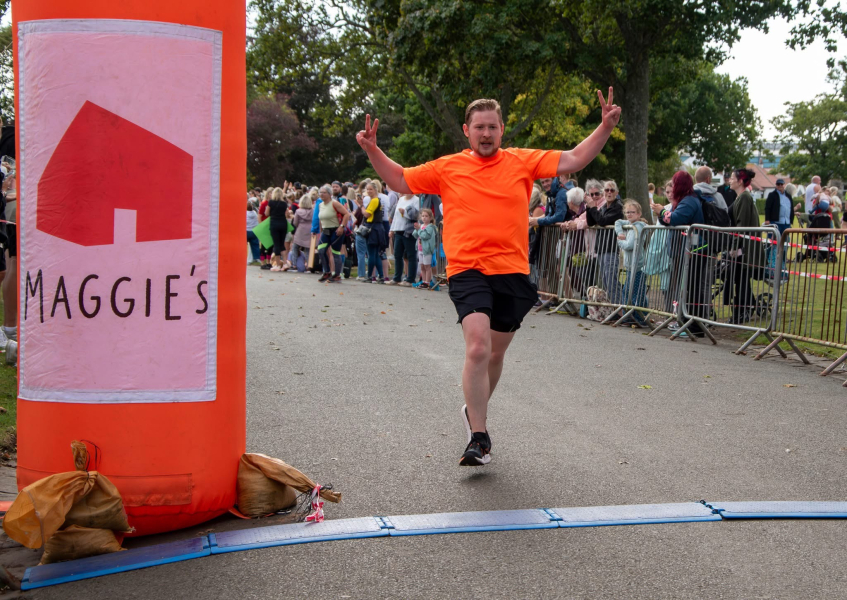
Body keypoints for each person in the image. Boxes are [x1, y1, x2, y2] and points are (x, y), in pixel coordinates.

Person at [356, 89, 621, 466]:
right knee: (478, 347)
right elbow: (399, 179)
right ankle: (478, 437)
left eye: (492, 127)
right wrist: (372, 149)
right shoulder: (448, 167)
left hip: (512, 270)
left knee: (495, 353)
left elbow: (574, 157)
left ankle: (473, 409)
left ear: (501, 130)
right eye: (479, 126)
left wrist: (605, 126)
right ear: (467, 130)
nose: (486, 133)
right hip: (467, 268)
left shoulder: (521, 161)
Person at [650, 171, 710, 337]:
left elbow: (675, 219)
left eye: (675, 183)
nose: (673, 187)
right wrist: (661, 214)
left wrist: (662, 211)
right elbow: (670, 221)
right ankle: (685, 321)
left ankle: (695, 325)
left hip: (693, 251)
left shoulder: (689, 201)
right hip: (683, 251)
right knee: (686, 286)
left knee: (691, 287)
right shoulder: (684, 200)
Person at [726, 168, 763, 324]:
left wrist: (734, 247)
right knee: (740, 279)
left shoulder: (744, 198)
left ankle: (744, 310)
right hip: (742, 247)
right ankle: (744, 308)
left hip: (744, 249)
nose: (729, 180)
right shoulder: (741, 197)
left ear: (740, 181)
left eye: (732, 178)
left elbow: (741, 226)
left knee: (741, 279)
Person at [587, 179, 624, 303]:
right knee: (606, 282)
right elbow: (591, 222)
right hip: (602, 249)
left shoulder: (618, 207)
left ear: (616, 192)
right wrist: (589, 207)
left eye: (612, 190)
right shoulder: (603, 207)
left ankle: (619, 310)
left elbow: (602, 221)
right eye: (607, 190)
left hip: (610, 249)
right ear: (604, 192)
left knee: (611, 281)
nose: (609, 192)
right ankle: (613, 309)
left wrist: (593, 209)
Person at [615, 200, 649, 327]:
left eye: (632, 212)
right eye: (627, 212)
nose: (629, 215)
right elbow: (618, 222)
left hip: (638, 266)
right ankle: (629, 316)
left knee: (635, 293)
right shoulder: (629, 224)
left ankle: (638, 318)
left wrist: (619, 241)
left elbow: (629, 245)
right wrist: (620, 232)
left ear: (639, 214)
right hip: (630, 265)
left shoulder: (638, 227)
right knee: (629, 291)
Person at [316, 185, 351, 282]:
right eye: (320, 193)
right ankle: (327, 272)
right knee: (321, 250)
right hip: (326, 231)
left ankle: (337, 275)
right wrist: (320, 231)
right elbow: (321, 219)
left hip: (336, 230)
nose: (322, 194)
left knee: (335, 252)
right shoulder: (320, 205)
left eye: (324, 193)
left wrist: (342, 227)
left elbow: (347, 214)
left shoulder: (334, 203)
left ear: (329, 194)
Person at [388, 192, 420, 286]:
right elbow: (396, 217)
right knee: (397, 254)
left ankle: (410, 279)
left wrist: (405, 213)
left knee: (411, 255)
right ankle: (397, 277)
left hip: (409, 230)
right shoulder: (401, 199)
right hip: (398, 229)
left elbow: (416, 215)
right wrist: (392, 229)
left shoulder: (416, 200)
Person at [362, 181, 388, 283]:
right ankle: (381, 275)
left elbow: (367, 214)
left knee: (371, 253)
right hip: (377, 228)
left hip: (373, 228)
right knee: (376, 254)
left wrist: (362, 207)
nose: (368, 191)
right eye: (367, 189)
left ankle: (370, 276)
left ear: (376, 190)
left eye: (370, 189)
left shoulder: (374, 200)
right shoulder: (377, 200)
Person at [265, 185, 289, 271]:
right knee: (282, 244)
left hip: (274, 223)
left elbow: (267, 213)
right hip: (283, 223)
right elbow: (287, 214)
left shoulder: (271, 202)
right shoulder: (284, 203)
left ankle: (278, 265)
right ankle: (285, 263)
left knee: (276, 244)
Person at [413, 208, 437, 289]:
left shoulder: (430, 227)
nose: (424, 218)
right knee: (422, 266)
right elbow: (415, 235)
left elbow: (424, 236)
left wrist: (419, 229)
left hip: (427, 250)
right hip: (420, 249)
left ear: (430, 218)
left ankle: (427, 282)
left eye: (426, 216)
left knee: (427, 266)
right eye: (423, 216)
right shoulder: (421, 226)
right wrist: (417, 229)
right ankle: (423, 281)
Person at [290, 194, 314, 272]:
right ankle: (309, 266)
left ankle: (294, 265)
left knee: (295, 247)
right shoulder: (313, 211)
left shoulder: (298, 211)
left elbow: (295, 223)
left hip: (300, 230)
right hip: (310, 230)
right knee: (308, 249)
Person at [246, 201, 260, 265]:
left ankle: (245, 258)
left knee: (244, 246)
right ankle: (256, 257)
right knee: (255, 245)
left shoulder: (245, 213)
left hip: (246, 231)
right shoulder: (254, 213)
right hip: (253, 231)